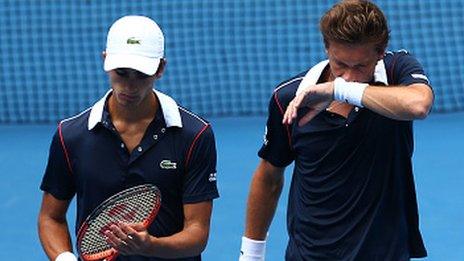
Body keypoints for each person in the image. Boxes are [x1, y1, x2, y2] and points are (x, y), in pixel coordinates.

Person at [240, 0, 433, 260]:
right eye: (340, 64)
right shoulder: (289, 98)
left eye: (360, 66)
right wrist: (251, 254)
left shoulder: (397, 71)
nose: (349, 76)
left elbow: (418, 104)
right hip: (309, 254)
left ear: (380, 52)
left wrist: (338, 89)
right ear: (326, 47)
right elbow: (269, 177)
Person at [38, 15, 219, 261]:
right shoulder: (70, 136)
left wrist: (150, 246)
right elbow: (51, 217)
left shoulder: (194, 135)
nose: (129, 86)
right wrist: (65, 258)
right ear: (106, 61)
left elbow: (197, 234)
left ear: (160, 68)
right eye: (121, 73)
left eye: (141, 75)